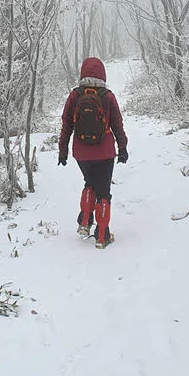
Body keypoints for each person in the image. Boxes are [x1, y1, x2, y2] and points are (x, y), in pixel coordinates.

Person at [58, 57, 128, 249]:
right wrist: (122, 148)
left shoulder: (75, 95)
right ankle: (102, 235)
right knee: (104, 192)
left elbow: (66, 125)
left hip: (81, 153)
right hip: (105, 153)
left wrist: (62, 151)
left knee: (89, 183)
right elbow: (117, 124)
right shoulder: (108, 96)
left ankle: (85, 221)